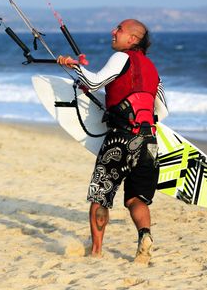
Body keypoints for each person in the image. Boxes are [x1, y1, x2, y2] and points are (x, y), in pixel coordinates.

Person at [57, 19, 168, 263]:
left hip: (121, 138)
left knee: (101, 196)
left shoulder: (121, 57)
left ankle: (96, 251)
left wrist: (74, 65)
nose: (113, 31)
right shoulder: (152, 69)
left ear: (133, 40)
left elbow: (95, 81)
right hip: (149, 141)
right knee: (136, 199)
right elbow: (162, 109)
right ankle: (145, 236)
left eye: (119, 29)